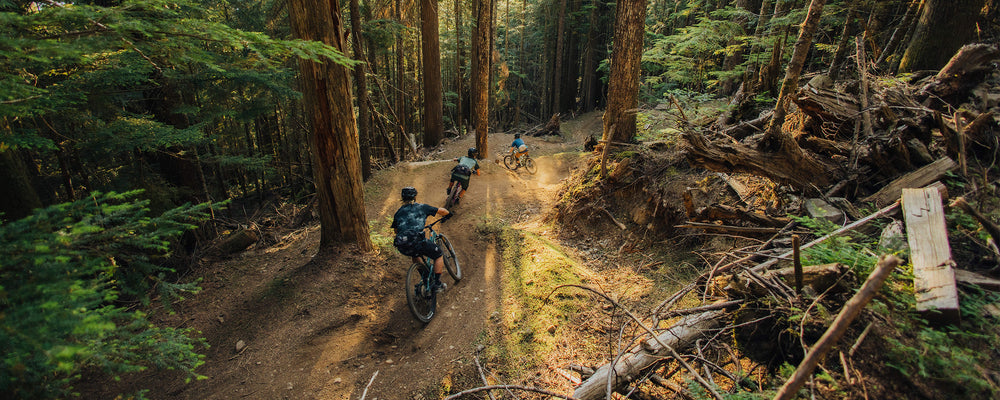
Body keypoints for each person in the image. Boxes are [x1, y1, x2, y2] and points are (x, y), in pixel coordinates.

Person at [391, 187, 451, 292]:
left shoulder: (398, 212)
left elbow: (396, 230)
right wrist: (449, 214)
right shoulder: (421, 207)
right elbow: (441, 211)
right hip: (417, 241)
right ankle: (437, 284)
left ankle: (425, 276)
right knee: (438, 255)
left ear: (402, 198)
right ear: (415, 196)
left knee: (415, 255)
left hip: (402, 245)